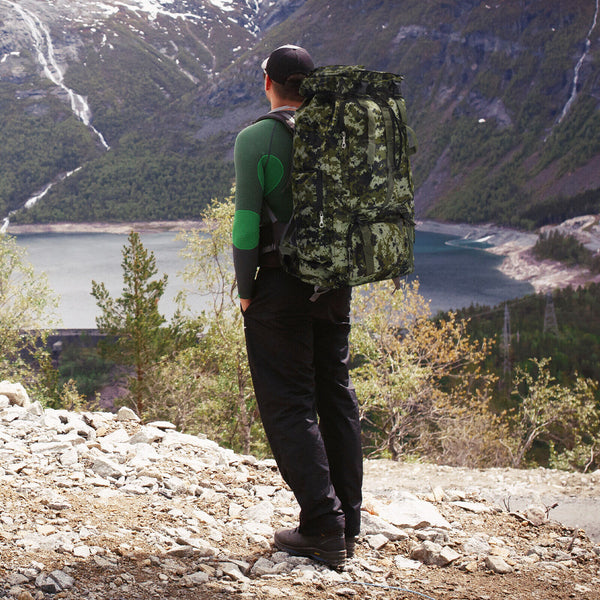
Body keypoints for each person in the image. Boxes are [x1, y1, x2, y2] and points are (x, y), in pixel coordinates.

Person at [232, 45, 363, 567]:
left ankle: (322, 527)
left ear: (270, 84)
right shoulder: (343, 137)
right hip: (334, 284)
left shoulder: (256, 138)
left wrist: (246, 288)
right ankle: (349, 522)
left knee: (288, 402)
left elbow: (246, 224)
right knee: (334, 393)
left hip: (281, 285)